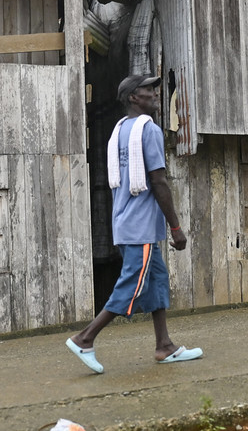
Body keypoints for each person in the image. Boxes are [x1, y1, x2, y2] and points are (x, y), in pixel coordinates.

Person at [65, 74, 203, 374]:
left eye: (155, 89)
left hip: (126, 222)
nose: (155, 93)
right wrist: (176, 227)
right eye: (148, 90)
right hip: (140, 226)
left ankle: (164, 346)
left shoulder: (120, 131)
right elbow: (158, 181)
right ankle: (84, 338)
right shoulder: (149, 131)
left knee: (156, 282)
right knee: (132, 284)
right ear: (132, 97)